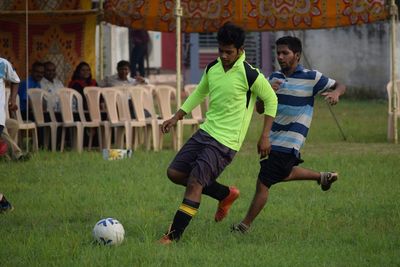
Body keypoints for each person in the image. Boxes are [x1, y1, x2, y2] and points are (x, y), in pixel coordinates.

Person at [158, 22, 278, 244]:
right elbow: (200, 92)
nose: (223, 55)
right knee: (174, 172)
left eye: (229, 52)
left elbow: (271, 100)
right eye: (221, 50)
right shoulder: (212, 67)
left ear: (240, 50)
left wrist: (265, 136)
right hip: (205, 132)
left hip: (225, 142)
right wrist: (177, 116)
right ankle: (225, 194)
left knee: (195, 184)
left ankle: (172, 237)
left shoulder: (250, 74)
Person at [232, 36, 346, 233]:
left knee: (264, 182)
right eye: (278, 53)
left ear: (297, 55)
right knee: (282, 173)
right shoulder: (273, 78)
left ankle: (244, 225)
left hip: (291, 141)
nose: (280, 57)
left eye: (285, 53)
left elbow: (340, 85)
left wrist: (336, 94)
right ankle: (322, 177)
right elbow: (259, 108)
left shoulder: (312, 77)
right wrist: (268, 93)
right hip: (273, 139)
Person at [0, 57, 30, 161]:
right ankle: (18, 155)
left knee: (13, 124)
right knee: (2, 130)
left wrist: (12, 100)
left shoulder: (2, 64)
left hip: (1, 115)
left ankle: (5, 156)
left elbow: (15, 80)